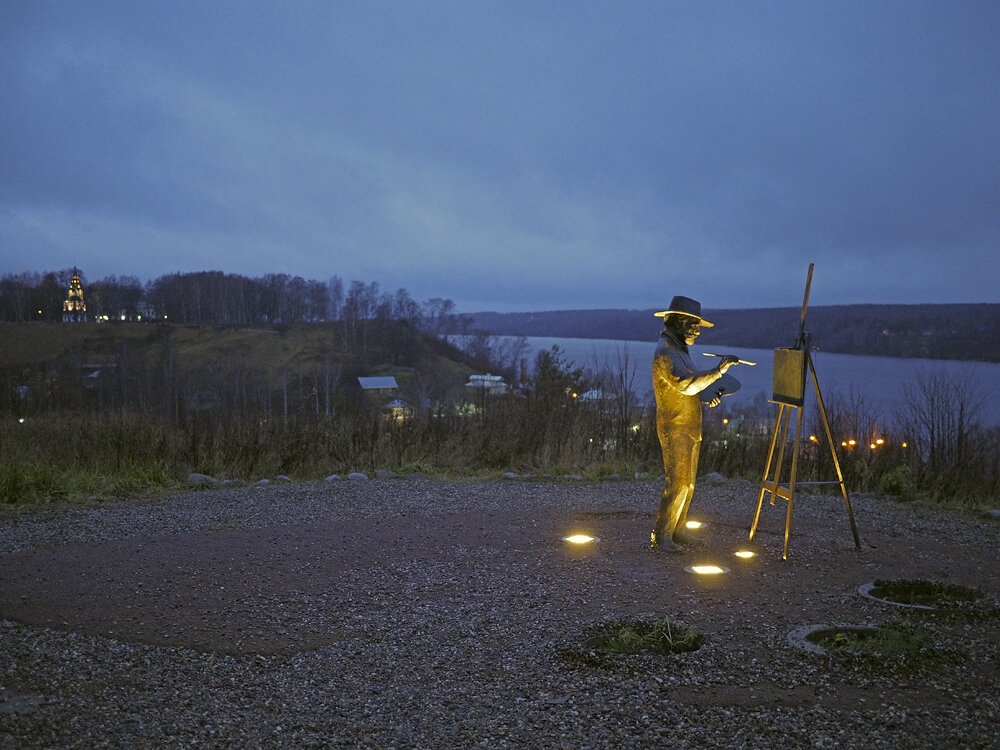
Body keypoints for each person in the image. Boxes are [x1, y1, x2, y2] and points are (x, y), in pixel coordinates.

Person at [650, 296, 740, 552]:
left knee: (688, 485)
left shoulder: (679, 349)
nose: (698, 331)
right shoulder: (666, 352)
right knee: (677, 484)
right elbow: (685, 384)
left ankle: (678, 530)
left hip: (689, 425)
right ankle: (662, 536)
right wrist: (718, 371)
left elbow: (691, 388)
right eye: (695, 326)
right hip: (675, 427)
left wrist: (707, 396)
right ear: (679, 322)